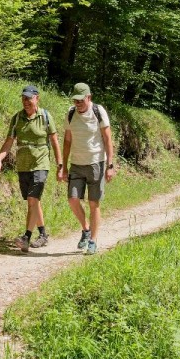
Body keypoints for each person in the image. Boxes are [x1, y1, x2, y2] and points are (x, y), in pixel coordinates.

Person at [0, 85, 61, 252]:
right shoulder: (17, 118)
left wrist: (60, 165)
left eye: (29, 98)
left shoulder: (45, 116)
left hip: (41, 163)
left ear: (37, 98)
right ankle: (43, 234)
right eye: (24, 98)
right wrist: (0, 157)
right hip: (23, 165)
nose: (26, 102)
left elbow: (54, 141)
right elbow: (9, 141)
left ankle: (26, 238)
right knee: (33, 200)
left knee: (32, 199)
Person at [58, 82, 116, 255]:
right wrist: (63, 166)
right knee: (72, 199)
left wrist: (110, 165)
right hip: (76, 163)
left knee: (93, 204)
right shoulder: (70, 113)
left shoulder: (98, 112)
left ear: (88, 97)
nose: (78, 103)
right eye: (75, 100)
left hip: (96, 163)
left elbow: (107, 139)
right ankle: (86, 230)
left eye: (81, 100)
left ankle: (93, 241)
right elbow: (67, 140)